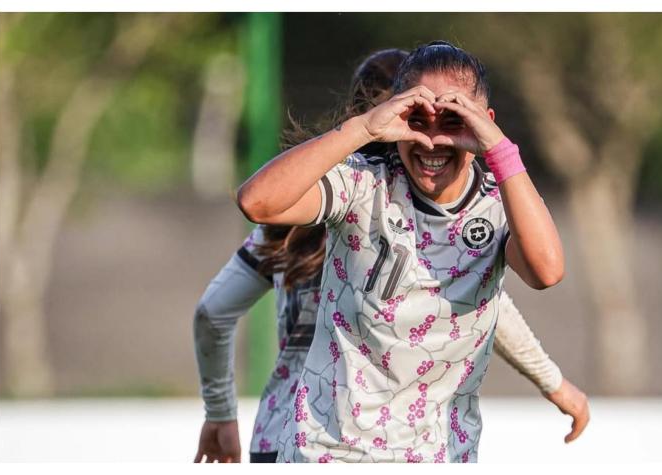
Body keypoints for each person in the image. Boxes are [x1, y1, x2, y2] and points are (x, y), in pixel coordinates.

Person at [236, 41, 578, 463]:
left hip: (439, 456)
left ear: (483, 123)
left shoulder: (499, 205)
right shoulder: (362, 185)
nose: (432, 141)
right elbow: (257, 202)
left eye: (453, 119)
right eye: (417, 118)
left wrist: (499, 149)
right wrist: (362, 129)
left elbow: (546, 271)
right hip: (329, 454)